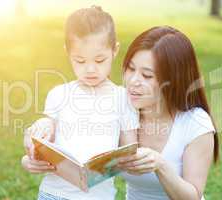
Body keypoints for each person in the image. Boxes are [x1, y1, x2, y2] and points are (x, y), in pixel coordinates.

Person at [22, 6, 139, 200]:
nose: (90, 69)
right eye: (80, 60)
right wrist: (29, 158)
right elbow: (40, 143)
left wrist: (123, 162)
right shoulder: (59, 94)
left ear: (115, 50)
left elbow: (130, 152)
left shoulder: (123, 99)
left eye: (100, 60)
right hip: (53, 194)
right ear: (68, 53)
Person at [117, 26, 219, 200]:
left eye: (147, 75)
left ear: (173, 80)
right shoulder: (118, 104)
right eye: (131, 69)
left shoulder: (196, 123)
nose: (133, 81)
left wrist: (160, 165)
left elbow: (192, 196)